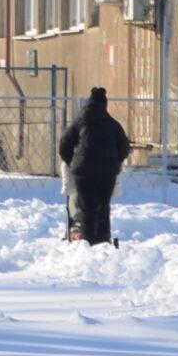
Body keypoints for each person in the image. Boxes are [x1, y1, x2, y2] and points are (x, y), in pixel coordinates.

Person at [57, 87, 132, 246]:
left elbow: (64, 144)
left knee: (87, 208)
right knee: (103, 207)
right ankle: (103, 241)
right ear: (104, 105)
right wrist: (115, 162)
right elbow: (124, 148)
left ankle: (87, 243)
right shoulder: (113, 124)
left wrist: (73, 162)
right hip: (107, 174)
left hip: (83, 173)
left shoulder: (79, 122)